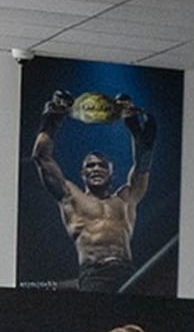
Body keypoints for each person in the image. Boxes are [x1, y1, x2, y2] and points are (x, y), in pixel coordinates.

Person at [34, 90, 156, 293]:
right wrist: (54, 118)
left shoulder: (126, 198)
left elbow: (143, 164)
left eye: (101, 165)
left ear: (111, 172)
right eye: (90, 166)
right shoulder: (71, 196)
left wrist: (132, 123)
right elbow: (42, 157)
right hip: (94, 275)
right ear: (82, 173)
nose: (96, 169)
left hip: (128, 273)